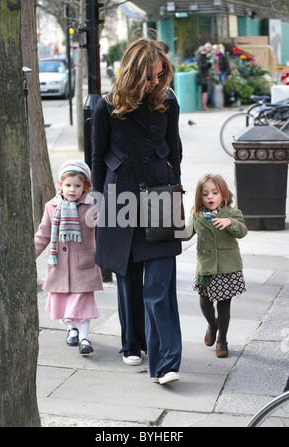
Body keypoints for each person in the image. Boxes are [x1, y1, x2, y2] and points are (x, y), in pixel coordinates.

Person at [92, 37, 182, 385]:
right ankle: (132, 342)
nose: (155, 83)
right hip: (119, 199)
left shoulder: (168, 102)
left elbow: (174, 149)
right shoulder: (107, 107)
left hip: (159, 195)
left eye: (160, 75)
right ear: (132, 73)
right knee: (128, 278)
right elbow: (97, 159)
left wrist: (175, 188)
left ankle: (165, 364)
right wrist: (99, 202)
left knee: (159, 284)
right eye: (149, 77)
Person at [34, 160, 103, 354]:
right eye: (68, 185)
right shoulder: (51, 206)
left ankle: (84, 338)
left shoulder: (92, 206)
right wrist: (29, 255)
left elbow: (104, 230)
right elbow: (43, 234)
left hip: (84, 265)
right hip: (60, 264)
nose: (72, 189)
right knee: (65, 301)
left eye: (77, 186)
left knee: (82, 300)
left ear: (86, 187)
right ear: (60, 185)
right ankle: (72, 330)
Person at [184, 174, 247, 358]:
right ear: (199, 197)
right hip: (206, 268)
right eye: (205, 194)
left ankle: (222, 340)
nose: (210, 197)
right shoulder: (196, 214)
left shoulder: (232, 213)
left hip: (227, 268)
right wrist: (166, 230)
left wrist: (230, 223)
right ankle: (212, 324)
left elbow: (243, 231)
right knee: (204, 302)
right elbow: (185, 234)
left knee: (224, 305)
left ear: (224, 194)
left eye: (214, 192)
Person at [196, 45, 212, 111]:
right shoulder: (200, 57)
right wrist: (208, 64)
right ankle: (204, 106)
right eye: (204, 50)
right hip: (202, 75)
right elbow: (201, 66)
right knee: (204, 91)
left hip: (204, 75)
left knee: (205, 91)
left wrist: (209, 64)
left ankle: (204, 106)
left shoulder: (203, 57)